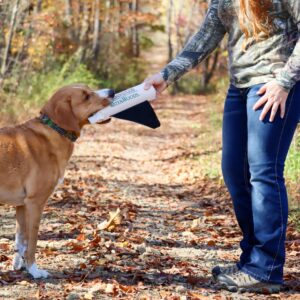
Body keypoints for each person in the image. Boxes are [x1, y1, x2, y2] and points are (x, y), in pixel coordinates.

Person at [144, 0, 300, 294]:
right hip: (239, 88)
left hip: (274, 86)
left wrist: (284, 82)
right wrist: (166, 75)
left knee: (263, 172)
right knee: (234, 172)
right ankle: (251, 260)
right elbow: (205, 37)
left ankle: (267, 268)